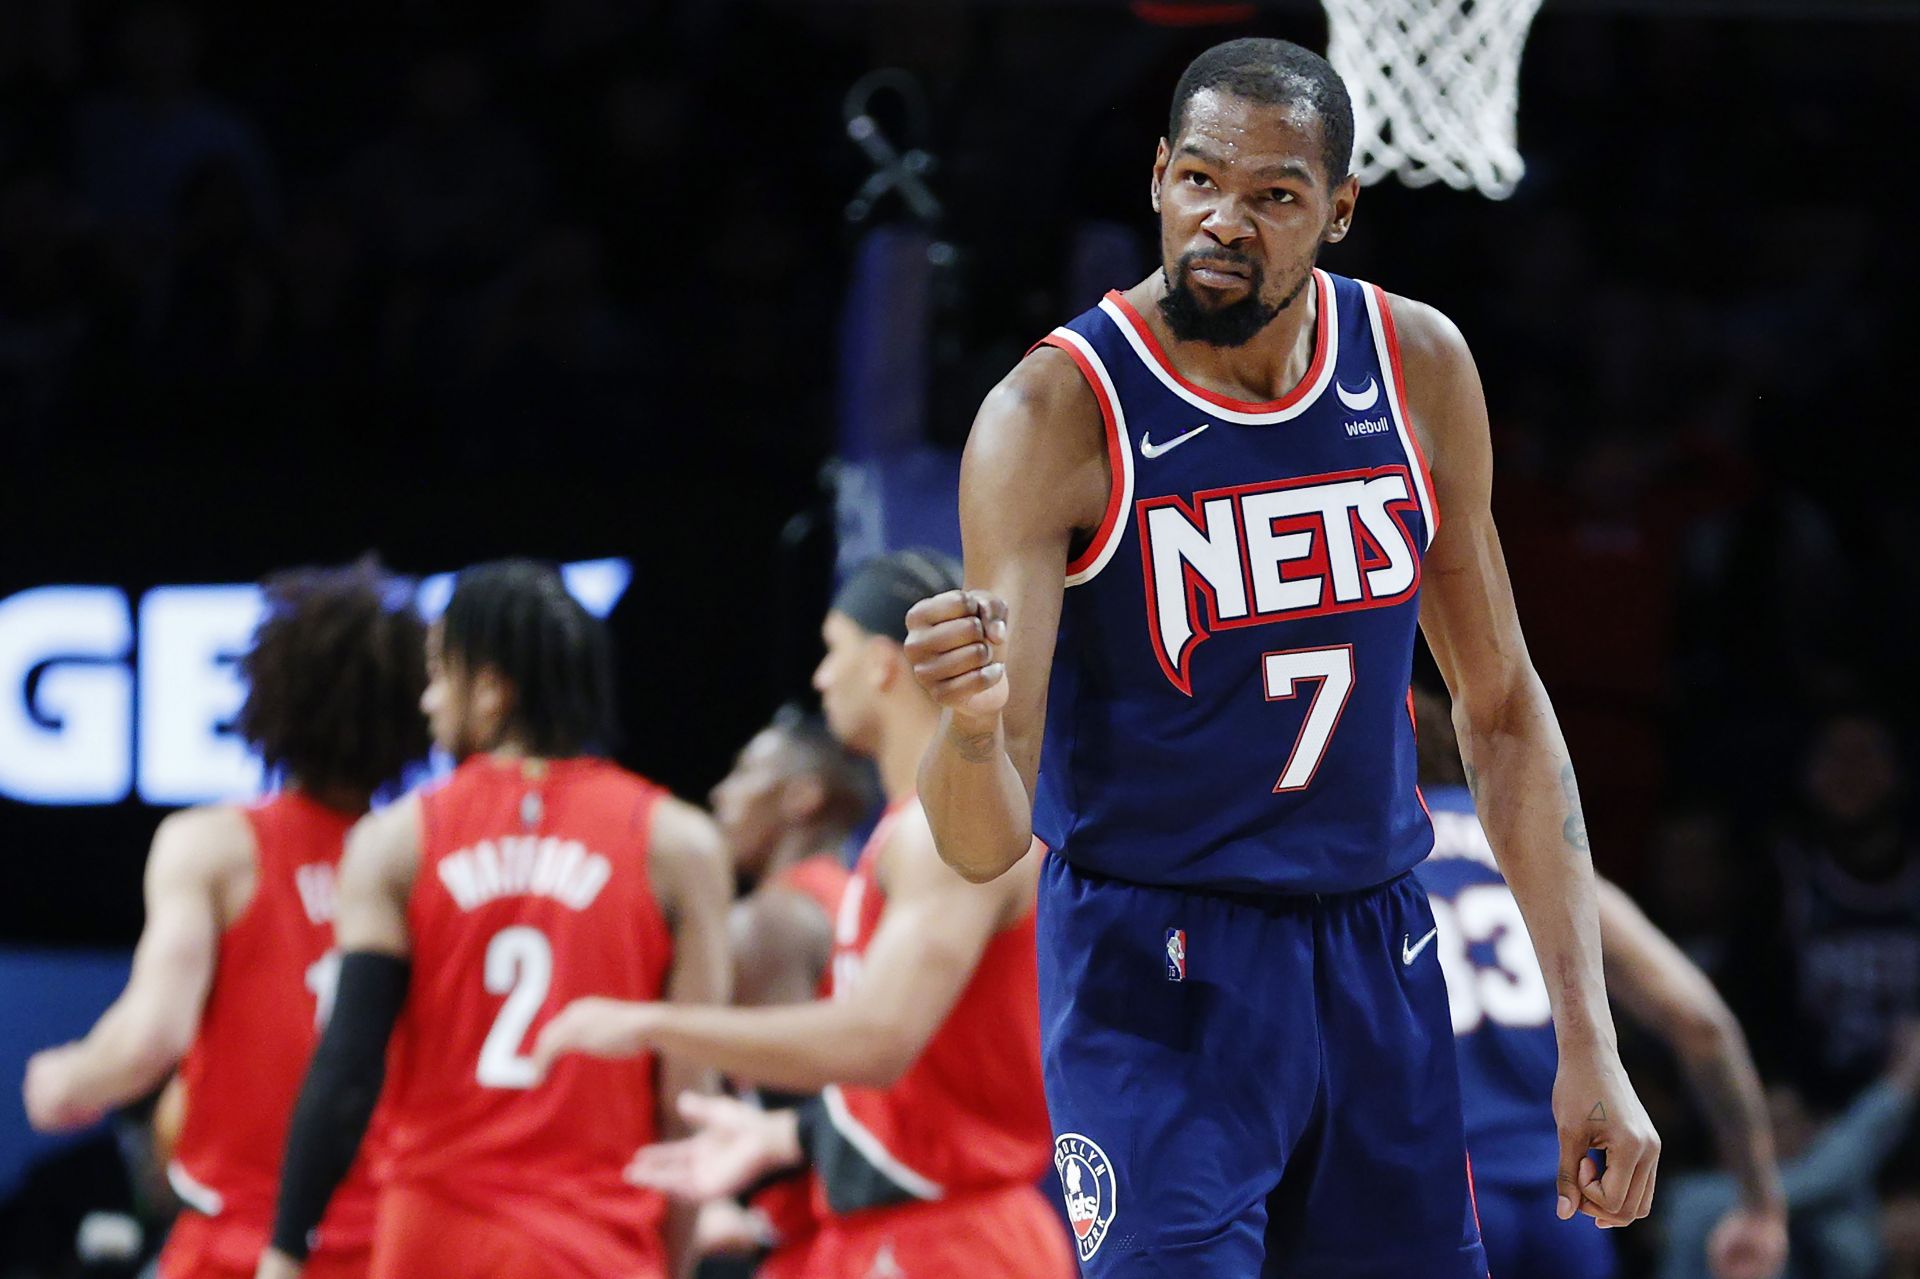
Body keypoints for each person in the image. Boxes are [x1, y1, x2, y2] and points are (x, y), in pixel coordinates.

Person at [901, 36, 1660, 1276]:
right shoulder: (1054, 415)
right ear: (1155, 179)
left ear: (1339, 209)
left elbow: (1506, 711)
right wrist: (974, 730)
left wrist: (1591, 1040)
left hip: (1377, 949)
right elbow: (984, 845)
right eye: (1199, 181)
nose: (1224, 221)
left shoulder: (1416, 365)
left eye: (1273, 195)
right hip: (1159, 968)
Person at [531, 550, 1076, 1279]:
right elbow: (921, 1095)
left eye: (832, 651)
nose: (820, 677)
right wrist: (784, 1133)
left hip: (953, 1241)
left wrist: (649, 1022)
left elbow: (878, 1038)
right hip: (902, 1231)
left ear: (884, 665)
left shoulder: (939, 836)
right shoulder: (901, 835)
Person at [254, 559, 731, 1279]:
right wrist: (675, 1256)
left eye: (440, 671)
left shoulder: (398, 839)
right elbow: (688, 1091)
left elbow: (347, 1067)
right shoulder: (678, 841)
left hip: (434, 1237)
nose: (426, 698)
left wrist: (287, 1248)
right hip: (597, 1241)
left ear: (491, 688)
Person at [23, 558, 430, 1279]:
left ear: (269, 696)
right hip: (399, 1248)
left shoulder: (216, 847)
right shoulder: (429, 858)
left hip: (243, 1244)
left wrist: (69, 1079)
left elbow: (152, 1035)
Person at [1410, 685, 1786, 1279]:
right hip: (1565, 1202)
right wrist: (1761, 1204)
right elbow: (1703, 1023)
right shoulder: (1528, 854)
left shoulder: (1362, 862)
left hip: (1433, 1206)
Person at [703, 707, 872, 1276]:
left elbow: (789, 1109)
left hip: (809, 1245)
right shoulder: (860, 900)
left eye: (745, 774)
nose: (722, 795)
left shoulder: (769, 921)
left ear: (802, 797)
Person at [1657, 1024, 1920, 1279]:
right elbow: (1822, 1176)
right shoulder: (1696, 1197)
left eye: (1784, 1124)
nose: (1771, 1139)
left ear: (1810, 1129)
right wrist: (1899, 1084)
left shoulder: (1822, 1209)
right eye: (1763, 1126)